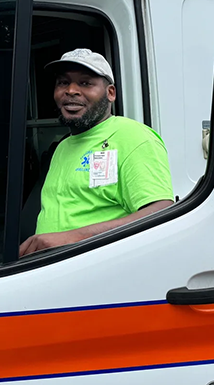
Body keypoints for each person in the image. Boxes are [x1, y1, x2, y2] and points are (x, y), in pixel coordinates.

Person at [19, 49, 174, 256]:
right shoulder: (63, 146)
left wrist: (72, 239)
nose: (71, 90)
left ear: (110, 93)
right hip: (53, 272)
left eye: (85, 83)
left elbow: (161, 212)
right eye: (63, 82)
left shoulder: (132, 136)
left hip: (99, 271)